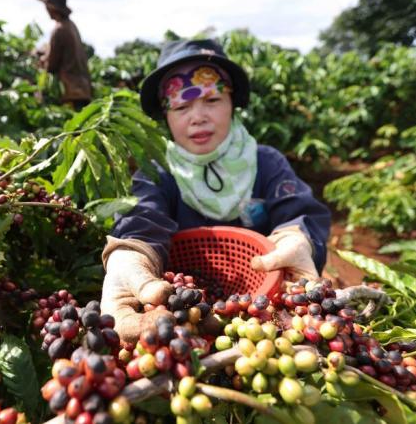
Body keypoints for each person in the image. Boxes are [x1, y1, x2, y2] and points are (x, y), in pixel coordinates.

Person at [100, 39, 332, 342]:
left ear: (232, 103)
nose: (198, 117)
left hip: (265, 312)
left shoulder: (265, 162)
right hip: (183, 320)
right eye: (181, 106)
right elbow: (142, 218)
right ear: (166, 116)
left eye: (212, 101)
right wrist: (128, 257)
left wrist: (296, 237)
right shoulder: (157, 173)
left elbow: (297, 210)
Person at [37, 0, 92, 110]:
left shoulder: (59, 30)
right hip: (83, 90)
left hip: (70, 94)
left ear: (51, 7)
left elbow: (51, 65)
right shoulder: (71, 26)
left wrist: (42, 60)